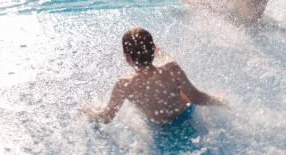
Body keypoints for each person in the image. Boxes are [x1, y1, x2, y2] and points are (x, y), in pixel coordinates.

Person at [80, 28, 225, 125]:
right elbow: (196, 97)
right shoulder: (172, 68)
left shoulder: (123, 84)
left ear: (127, 57)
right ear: (153, 50)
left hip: (158, 124)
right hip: (184, 114)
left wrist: (88, 110)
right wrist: (222, 102)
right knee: (172, 75)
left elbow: (106, 118)